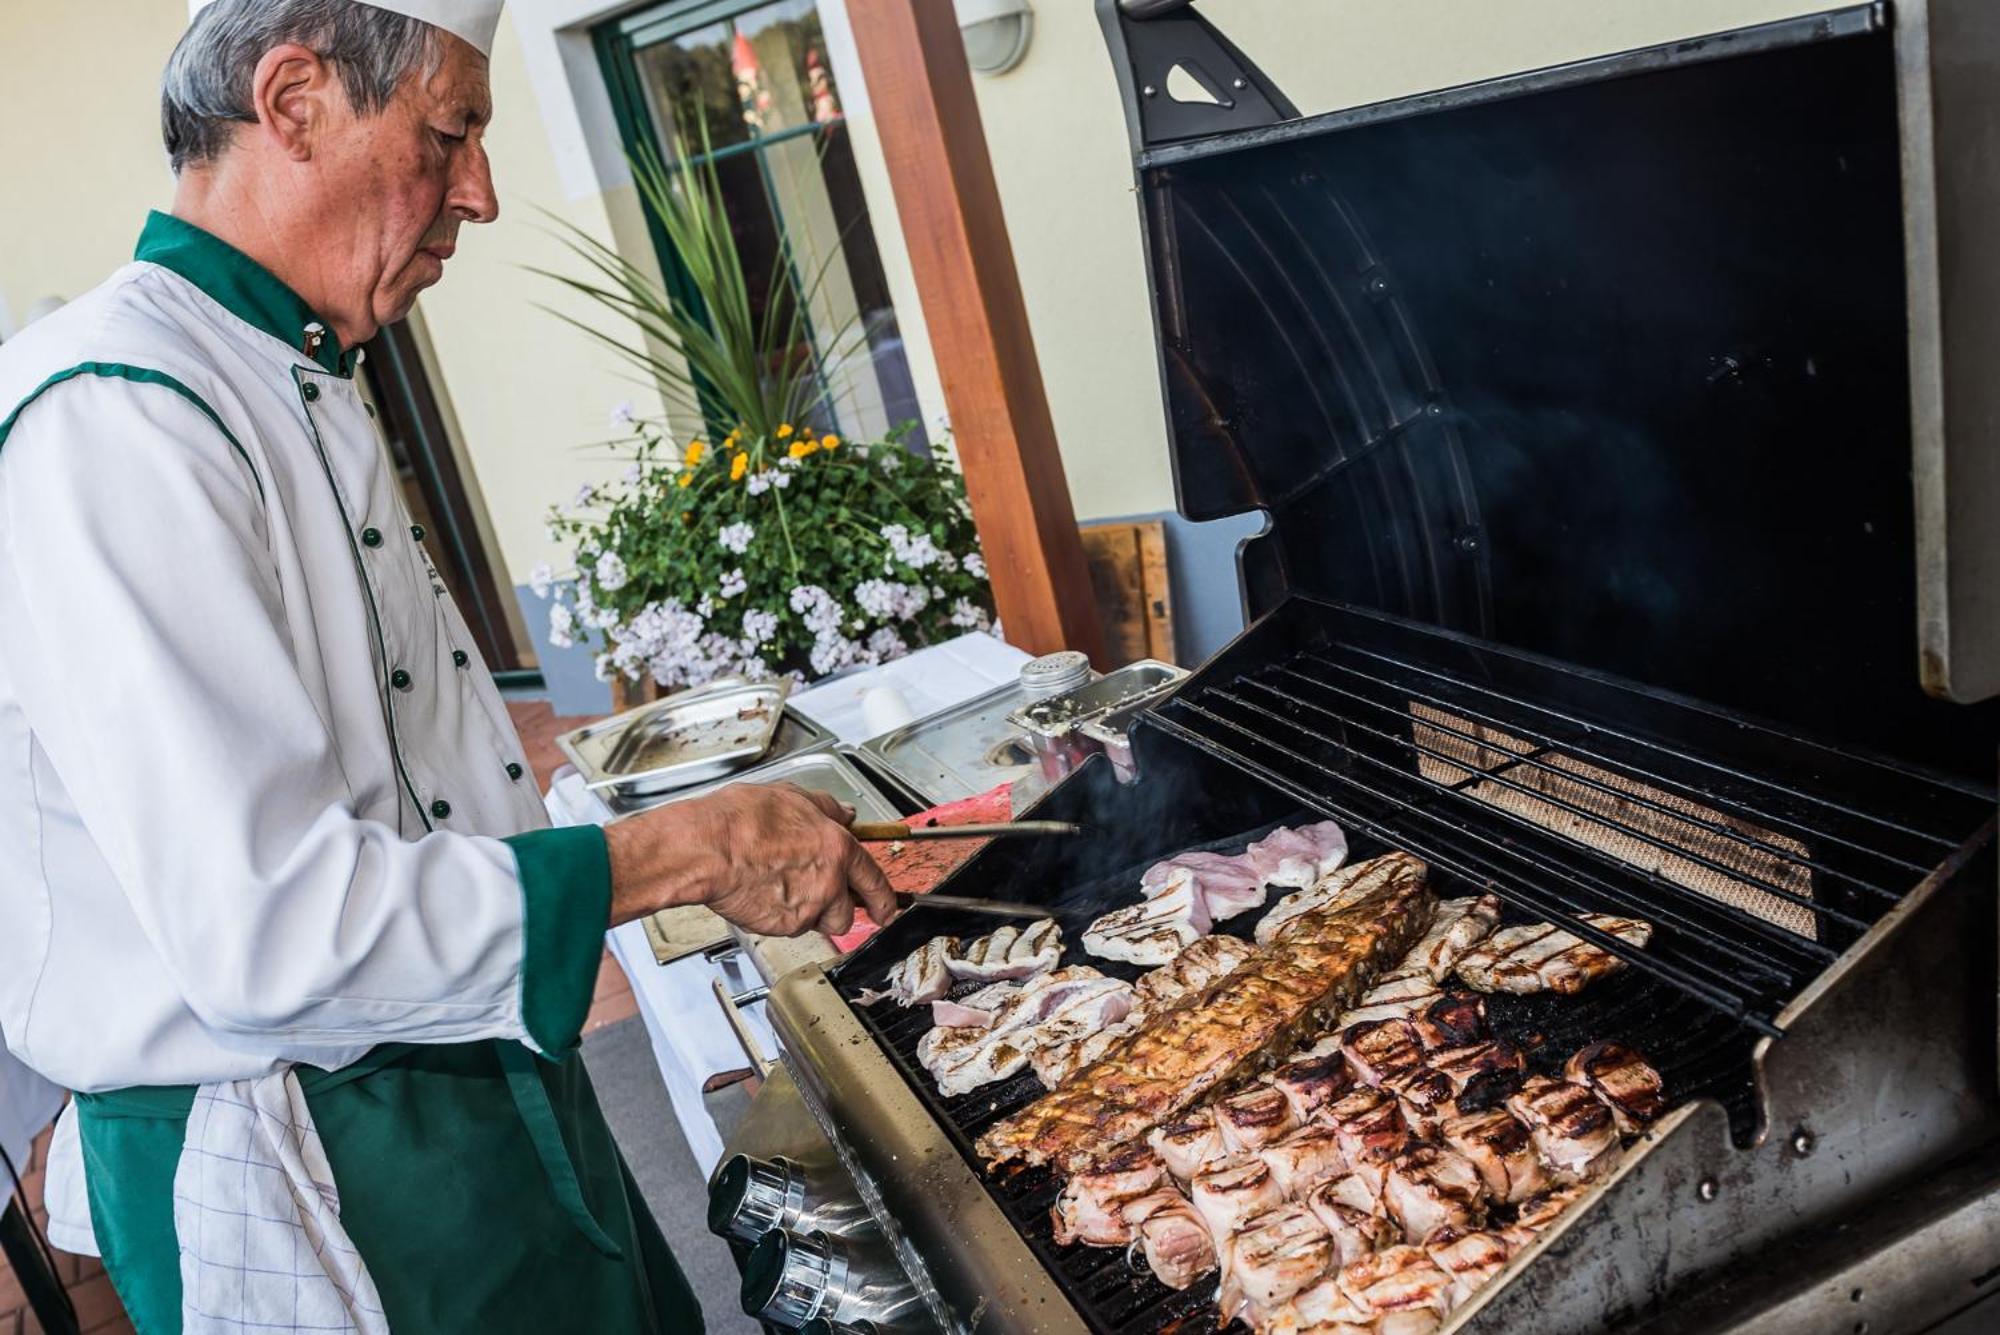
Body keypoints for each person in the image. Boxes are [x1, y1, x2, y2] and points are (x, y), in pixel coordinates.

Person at [0, 2, 897, 1332]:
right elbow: (274, 932)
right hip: (317, 1151)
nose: (477, 193)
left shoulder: (292, 367)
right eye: (450, 131)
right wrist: (685, 854)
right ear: (294, 102)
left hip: (474, 1067)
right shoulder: (111, 413)